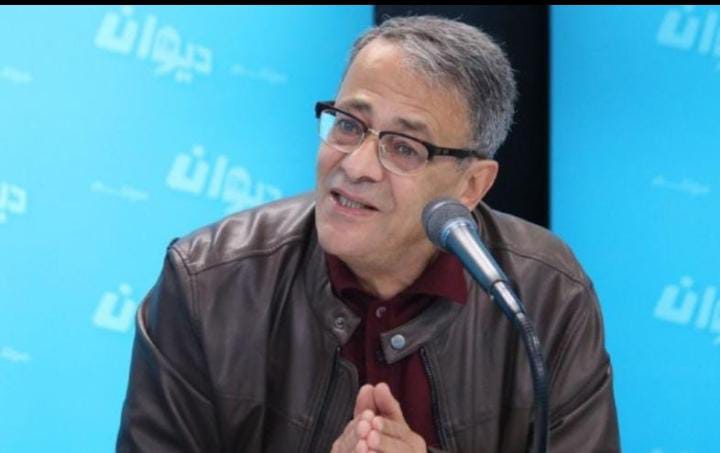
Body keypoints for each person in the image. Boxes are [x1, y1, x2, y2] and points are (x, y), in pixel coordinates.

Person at [116, 15, 619, 453]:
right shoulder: (208, 283)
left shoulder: (545, 296)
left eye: (404, 147)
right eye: (349, 125)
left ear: (472, 185)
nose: (356, 166)